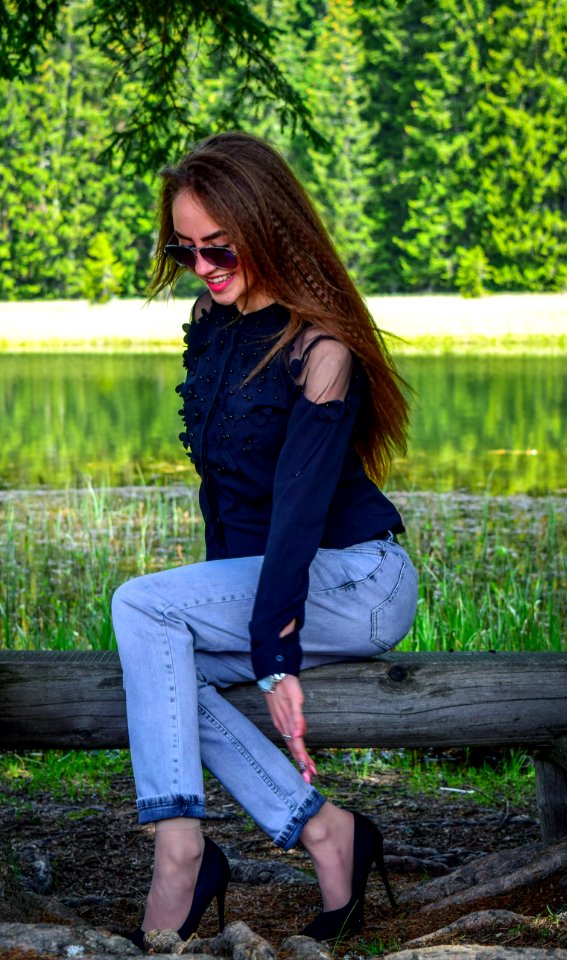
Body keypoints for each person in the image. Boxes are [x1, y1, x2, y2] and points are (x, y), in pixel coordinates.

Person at [112, 131, 418, 947]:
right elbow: (228, 503)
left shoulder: (321, 349)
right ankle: (325, 833)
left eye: (220, 246)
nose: (204, 266)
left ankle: (177, 849)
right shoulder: (213, 322)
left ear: (268, 226)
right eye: (185, 250)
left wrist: (272, 652)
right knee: (160, 659)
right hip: (278, 575)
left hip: (356, 580)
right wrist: (238, 621)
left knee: (138, 606)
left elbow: (295, 512)